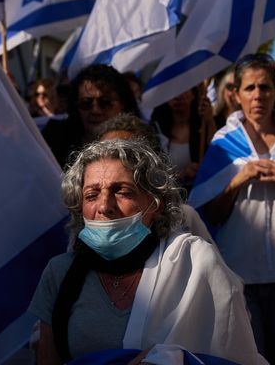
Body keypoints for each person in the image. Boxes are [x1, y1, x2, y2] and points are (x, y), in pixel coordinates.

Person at [30, 139, 263, 365]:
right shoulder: (60, 274)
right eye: (91, 195)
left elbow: (233, 355)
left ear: (155, 203)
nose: (104, 206)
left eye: (121, 191)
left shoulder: (197, 263)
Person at [199, 53, 275, 364]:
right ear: (236, 94)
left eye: (265, 87)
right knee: (245, 358)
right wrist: (237, 181)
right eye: (251, 88)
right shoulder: (223, 144)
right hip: (239, 275)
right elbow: (211, 215)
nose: (258, 96)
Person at [94, 113, 214, 243]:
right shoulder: (88, 218)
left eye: (127, 155)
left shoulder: (184, 218)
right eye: (103, 154)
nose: (104, 208)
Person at [42, 65, 140, 167]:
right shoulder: (54, 140)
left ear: (123, 105)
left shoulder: (139, 144)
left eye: (105, 102)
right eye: (86, 103)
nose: (95, 110)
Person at [151, 87, 216, 190]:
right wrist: (182, 174)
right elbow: (155, 176)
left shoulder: (202, 127)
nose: (178, 97)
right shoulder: (158, 131)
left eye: (183, 90)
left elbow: (215, 151)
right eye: (172, 92)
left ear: (193, 95)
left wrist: (210, 120)